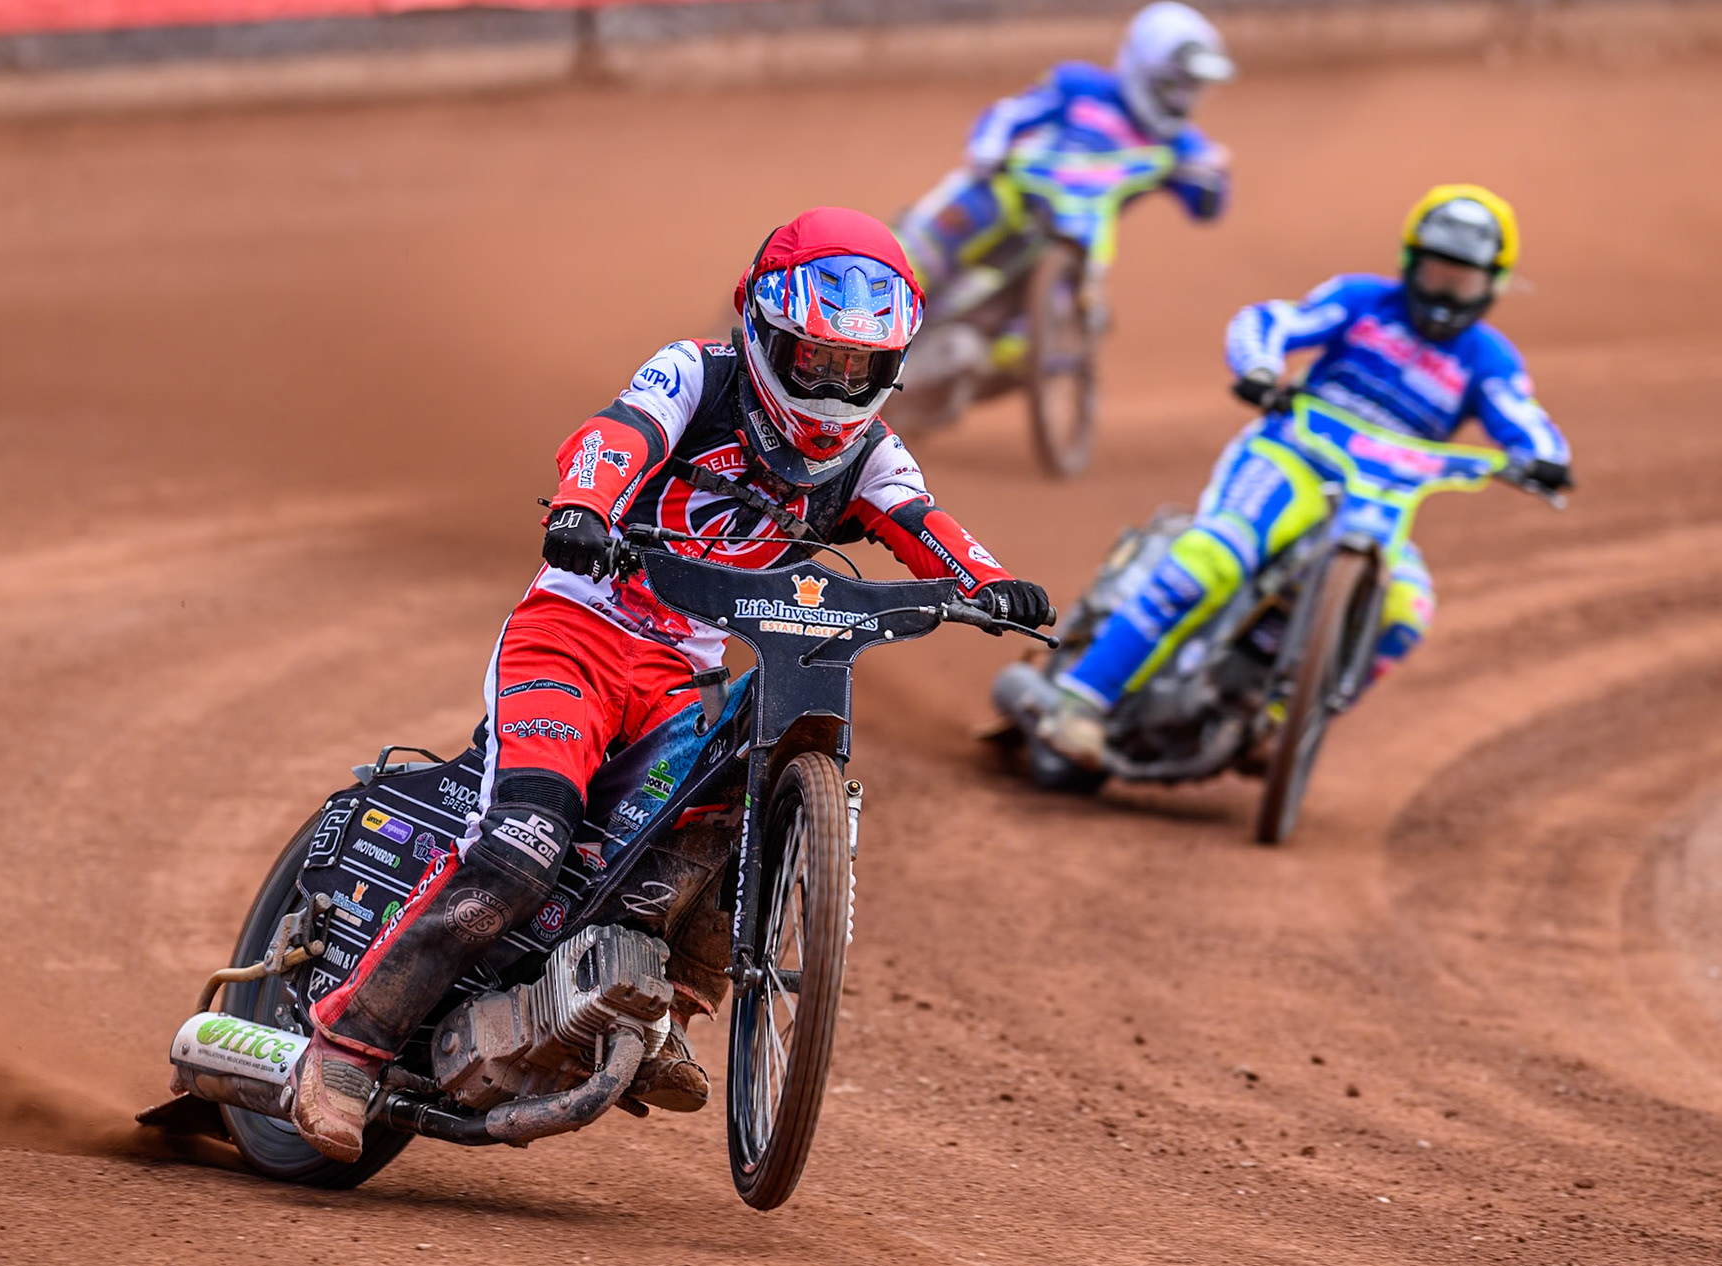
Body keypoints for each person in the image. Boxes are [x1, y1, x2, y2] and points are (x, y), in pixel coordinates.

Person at [290, 207, 1055, 1161]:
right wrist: (585, 506)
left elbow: (921, 521)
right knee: (525, 845)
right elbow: (616, 436)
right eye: (815, 358)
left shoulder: (871, 453)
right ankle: (346, 1049)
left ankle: (665, 1012)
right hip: (573, 636)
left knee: (730, 808)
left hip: (679, 676)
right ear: (763, 328)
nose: (832, 387)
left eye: (857, 368)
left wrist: (989, 583)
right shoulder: (697, 373)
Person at [1039, 184, 1574, 767]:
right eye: (1436, 272)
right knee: (1213, 559)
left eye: (1461, 280)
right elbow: (1271, 321)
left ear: (1492, 284)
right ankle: (1079, 702)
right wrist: (1259, 368)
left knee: (1407, 613)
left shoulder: (1489, 359)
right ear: (1410, 262)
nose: (1444, 292)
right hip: (1291, 459)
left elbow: (1522, 416)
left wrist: (1545, 458)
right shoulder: (1362, 301)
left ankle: (1280, 724)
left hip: (1378, 497)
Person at [895, 0, 1234, 367]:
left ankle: (973, 365)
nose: (1183, 97)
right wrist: (988, 146)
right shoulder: (1080, 86)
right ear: (1146, 69)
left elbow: (1206, 203)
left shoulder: (1181, 143)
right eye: (1175, 83)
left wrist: (1214, 180)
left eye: (1194, 87)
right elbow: (1011, 113)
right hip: (1015, 190)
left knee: (1051, 325)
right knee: (949, 227)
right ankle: (889, 281)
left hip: (1075, 241)